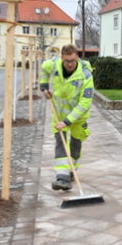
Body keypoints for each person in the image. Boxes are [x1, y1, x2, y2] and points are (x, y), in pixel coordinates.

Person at [40, 44, 94, 191]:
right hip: (59, 114)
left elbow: (85, 102)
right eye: (67, 61)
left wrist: (67, 121)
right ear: (62, 58)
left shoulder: (85, 74)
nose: (70, 64)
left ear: (77, 57)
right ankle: (62, 178)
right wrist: (44, 86)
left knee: (75, 146)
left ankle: (71, 171)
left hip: (78, 118)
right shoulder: (54, 64)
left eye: (72, 60)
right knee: (61, 144)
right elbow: (44, 68)